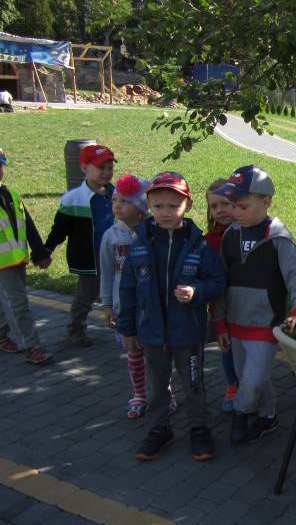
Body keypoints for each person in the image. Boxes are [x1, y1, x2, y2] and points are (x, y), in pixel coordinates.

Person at [118, 172, 226, 461]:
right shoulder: (140, 244)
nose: (166, 212)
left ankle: (199, 428)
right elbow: (127, 288)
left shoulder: (198, 245)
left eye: (173, 206)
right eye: (158, 206)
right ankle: (160, 428)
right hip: (151, 333)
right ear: (148, 206)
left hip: (187, 333)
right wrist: (128, 330)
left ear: (187, 205)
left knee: (193, 385)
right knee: (157, 387)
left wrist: (197, 291)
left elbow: (217, 281)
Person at [212, 165, 296, 445]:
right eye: (232, 205)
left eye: (242, 206)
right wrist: (219, 321)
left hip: (266, 322)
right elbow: (221, 281)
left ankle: (241, 413)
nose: (235, 212)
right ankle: (268, 415)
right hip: (236, 321)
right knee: (250, 375)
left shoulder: (277, 236)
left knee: (253, 379)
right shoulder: (230, 235)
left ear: (266, 201)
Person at [99, 174, 178, 418]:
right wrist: (107, 304)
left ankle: (165, 394)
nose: (117, 206)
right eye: (115, 200)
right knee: (134, 353)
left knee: (159, 356)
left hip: (152, 307)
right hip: (125, 308)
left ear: (142, 207)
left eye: (125, 201)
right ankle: (139, 394)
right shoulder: (111, 237)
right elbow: (106, 272)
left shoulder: (155, 234)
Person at [45, 144, 116, 346]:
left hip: (115, 253)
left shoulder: (117, 193)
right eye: (101, 168)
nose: (107, 172)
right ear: (84, 168)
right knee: (87, 294)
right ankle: (76, 329)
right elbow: (60, 229)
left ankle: (126, 327)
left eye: (110, 167)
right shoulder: (73, 199)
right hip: (90, 257)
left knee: (122, 289)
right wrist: (46, 250)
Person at [0, 148, 53, 364]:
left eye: (0, 164)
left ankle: (2, 336)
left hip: (14, 259)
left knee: (8, 301)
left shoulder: (11, 196)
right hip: (4, 263)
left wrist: (40, 253)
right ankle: (31, 346)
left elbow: (28, 225)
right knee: (17, 303)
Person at [204, 178, 239, 412]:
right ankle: (233, 385)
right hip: (221, 307)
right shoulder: (209, 241)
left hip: (247, 305)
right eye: (214, 206)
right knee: (227, 348)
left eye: (225, 204)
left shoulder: (249, 233)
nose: (220, 210)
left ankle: (250, 387)